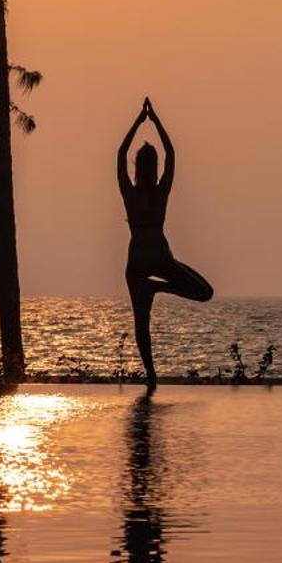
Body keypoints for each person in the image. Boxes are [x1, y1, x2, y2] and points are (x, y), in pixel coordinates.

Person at [118, 97, 213, 391]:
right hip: (159, 256)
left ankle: (151, 377)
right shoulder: (161, 192)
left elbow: (120, 154)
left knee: (141, 323)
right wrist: (155, 120)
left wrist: (138, 120)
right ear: (155, 167)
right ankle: (159, 287)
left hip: (136, 260)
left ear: (137, 167)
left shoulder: (129, 193)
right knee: (204, 291)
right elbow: (171, 153)